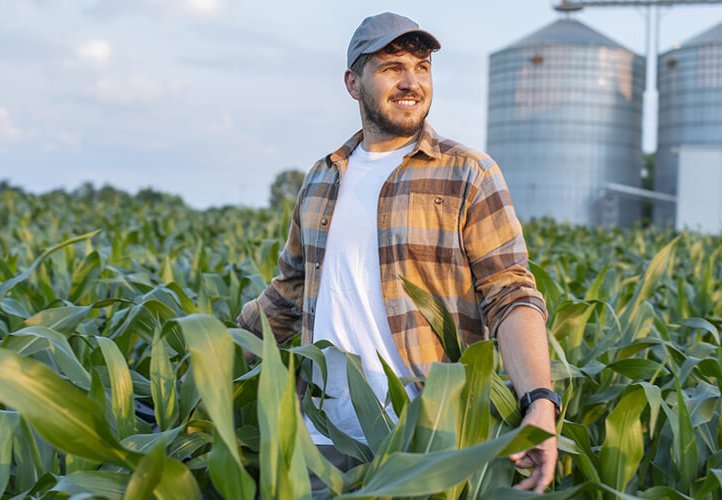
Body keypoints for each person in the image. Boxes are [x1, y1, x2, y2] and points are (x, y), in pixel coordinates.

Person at [236, 12, 561, 493]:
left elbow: (510, 294)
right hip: (320, 441)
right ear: (353, 82)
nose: (412, 81)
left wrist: (540, 399)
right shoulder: (323, 178)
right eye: (392, 67)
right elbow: (286, 298)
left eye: (422, 67)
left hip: (426, 438)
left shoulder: (467, 173)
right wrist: (213, 352)